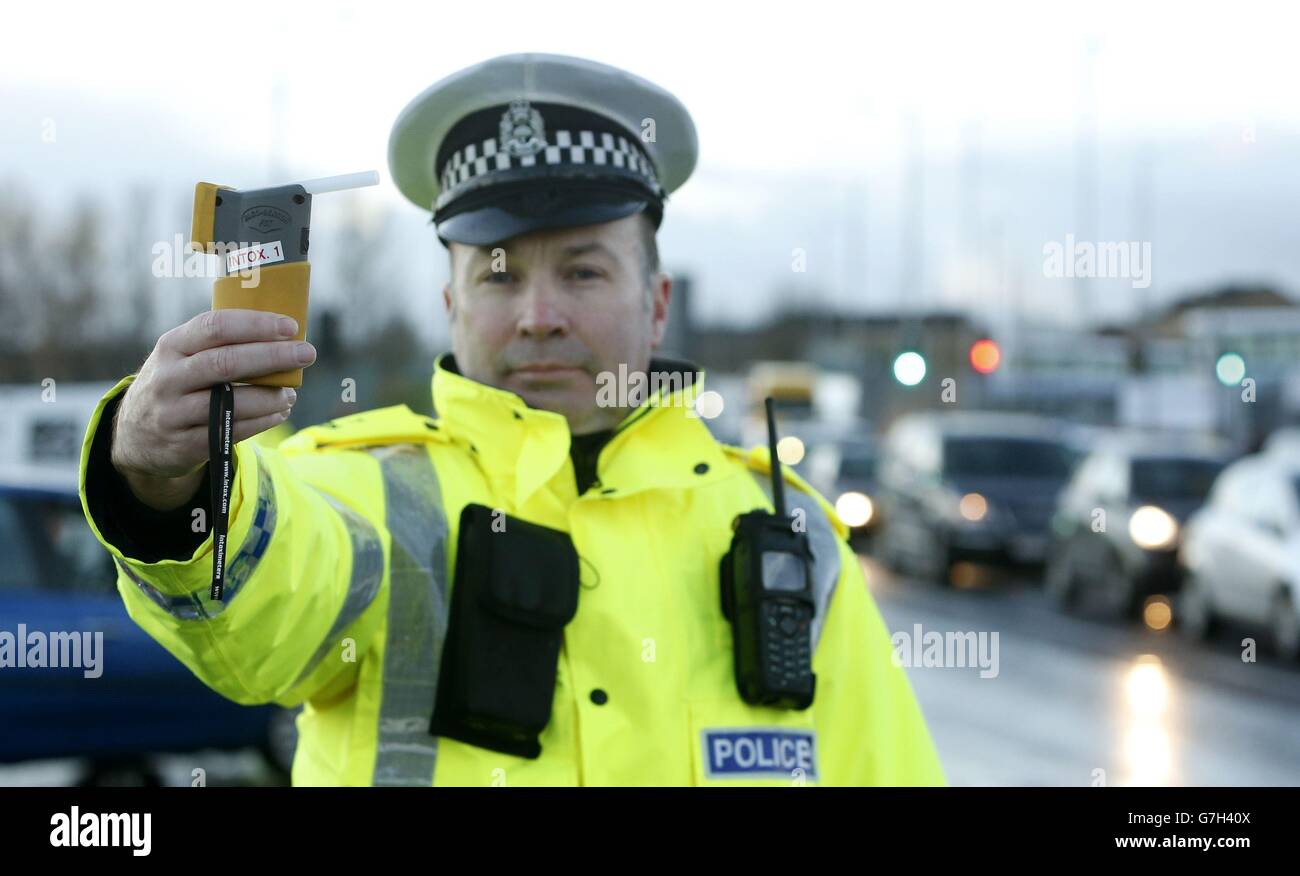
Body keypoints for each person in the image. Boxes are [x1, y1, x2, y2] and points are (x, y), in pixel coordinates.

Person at [78, 53, 944, 786]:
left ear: (657, 304)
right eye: (498, 276)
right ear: (451, 302)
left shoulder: (797, 540)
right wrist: (161, 477)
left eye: (583, 272)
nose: (538, 315)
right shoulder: (374, 495)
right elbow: (261, 598)